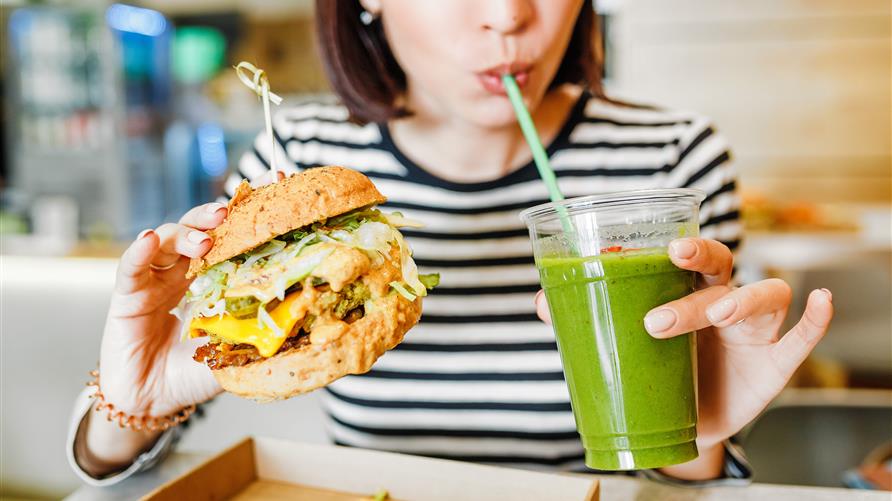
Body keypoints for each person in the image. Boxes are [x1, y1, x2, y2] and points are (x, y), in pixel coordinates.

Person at [68, 0, 834, 485]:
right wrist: (132, 399)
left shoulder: (671, 160)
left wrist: (693, 431)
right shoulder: (292, 157)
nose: (508, 15)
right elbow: (117, 468)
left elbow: (676, 468)